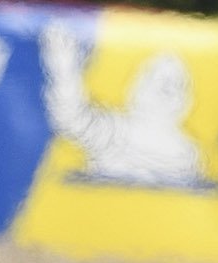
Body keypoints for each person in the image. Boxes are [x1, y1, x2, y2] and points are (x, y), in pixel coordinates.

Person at [41, 22, 205, 189]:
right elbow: (71, 118)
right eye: (158, 80)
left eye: (176, 84)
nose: (166, 89)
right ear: (136, 88)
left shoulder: (187, 153)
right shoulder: (116, 131)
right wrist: (65, 72)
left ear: (185, 100)